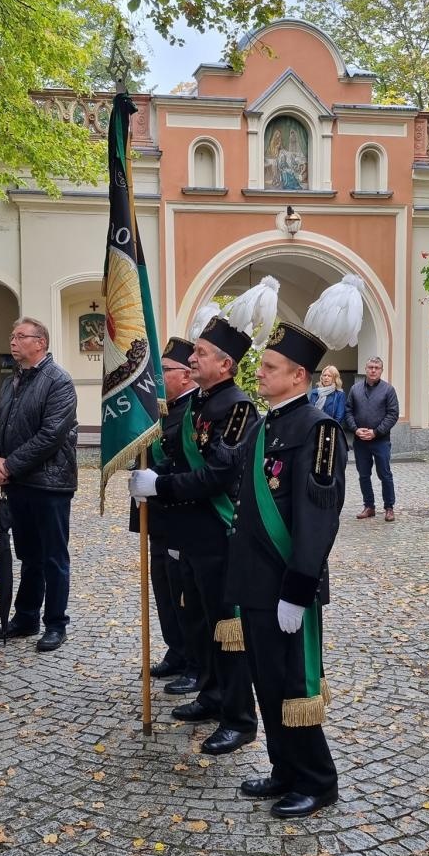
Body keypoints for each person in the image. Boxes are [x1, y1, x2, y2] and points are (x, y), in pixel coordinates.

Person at [225, 322, 347, 818]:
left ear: (299, 375)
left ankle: (318, 780)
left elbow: (318, 518)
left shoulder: (318, 429)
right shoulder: (263, 423)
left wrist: (298, 590)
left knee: (294, 684)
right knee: (267, 681)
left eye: (271, 368)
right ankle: (283, 769)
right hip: (253, 581)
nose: (262, 375)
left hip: (285, 586)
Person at [130, 313, 260, 756]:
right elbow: (184, 462)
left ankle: (239, 718)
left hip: (220, 536)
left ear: (225, 365)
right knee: (201, 625)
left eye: (201, 353)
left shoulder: (239, 408)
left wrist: (161, 486)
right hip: (191, 536)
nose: (193, 358)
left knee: (228, 631)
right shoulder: (201, 403)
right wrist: (153, 474)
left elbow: (219, 474)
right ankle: (210, 694)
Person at [0, 317, 78, 652]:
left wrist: (9, 464)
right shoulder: (12, 381)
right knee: (28, 555)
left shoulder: (59, 381)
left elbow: (50, 436)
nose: (12, 341)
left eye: (20, 336)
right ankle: (26, 618)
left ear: (40, 342)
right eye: (11, 335)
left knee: (53, 557)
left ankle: (55, 624)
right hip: (19, 484)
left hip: (50, 484)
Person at [131, 337, 199, 691]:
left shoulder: (193, 412)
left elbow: (189, 465)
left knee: (184, 593)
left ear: (186, 375)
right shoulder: (161, 410)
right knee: (164, 588)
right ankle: (175, 649)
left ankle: (194, 660)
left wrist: (156, 480)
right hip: (158, 516)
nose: (157, 379)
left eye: (164, 371)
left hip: (181, 516)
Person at [345, 356, 399, 522]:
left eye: (377, 367)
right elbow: (348, 411)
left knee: (385, 474)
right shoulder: (355, 389)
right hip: (360, 440)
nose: (373, 370)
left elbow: (393, 414)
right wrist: (355, 429)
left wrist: (376, 432)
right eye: (370, 367)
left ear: (381, 370)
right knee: (363, 475)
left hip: (380, 440)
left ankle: (389, 507)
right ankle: (369, 506)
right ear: (365, 369)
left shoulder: (388, 390)